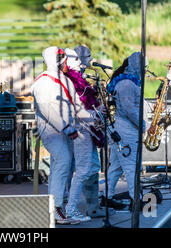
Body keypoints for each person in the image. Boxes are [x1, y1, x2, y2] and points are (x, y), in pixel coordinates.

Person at [32, 46, 90, 225]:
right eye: (63, 59)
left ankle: (53, 205)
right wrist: (67, 127)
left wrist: (94, 119)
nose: (66, 63)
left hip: (66, 130)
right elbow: (47, 110)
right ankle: (55, 207)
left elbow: (76, 105)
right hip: (51, 130)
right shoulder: (42, 81)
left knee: (62, 164)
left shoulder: (65, 80)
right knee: (63, 161)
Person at [64, 46, 106, 221]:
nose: (90, 59)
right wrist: (96, 113)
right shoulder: (71, 79)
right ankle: (84, 206)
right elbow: (78, 107)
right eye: (88, 56)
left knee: (76, 168)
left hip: (84, 127)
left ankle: (85, 205)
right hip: (80, 129)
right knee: (81, 168)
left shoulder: (80, 77)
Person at [104, 52, 150, 210]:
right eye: (144, 68)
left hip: (123, 129)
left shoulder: (127, 83)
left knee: (116, 167)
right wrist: (143, 125)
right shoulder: (126, 85)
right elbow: (129, 109)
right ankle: (136, 200)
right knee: (132, 167)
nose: (145, 71)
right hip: (127, 131)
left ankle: (107, 197)